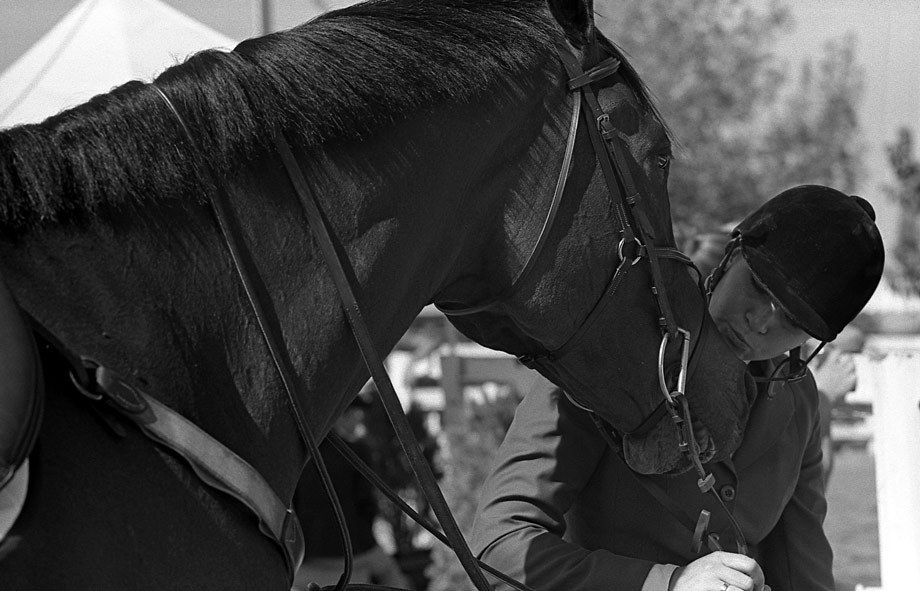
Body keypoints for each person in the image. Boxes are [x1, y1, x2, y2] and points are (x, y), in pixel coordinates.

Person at [469, 185, 884, 591]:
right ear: (731, 256)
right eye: (758, 286)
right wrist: (666, 583)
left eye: (792, 320)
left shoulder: (799, 400)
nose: (759, 322)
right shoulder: (607, 355)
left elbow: (804, 573)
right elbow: (499, 546)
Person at [292, 397, 411, 591]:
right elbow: (366, 504)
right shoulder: (356, 452)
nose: (359, 423)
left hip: (307, 552)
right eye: (356, 417)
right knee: (392, 576)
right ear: (341, 417)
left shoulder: (300, 454)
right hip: (352, 548)